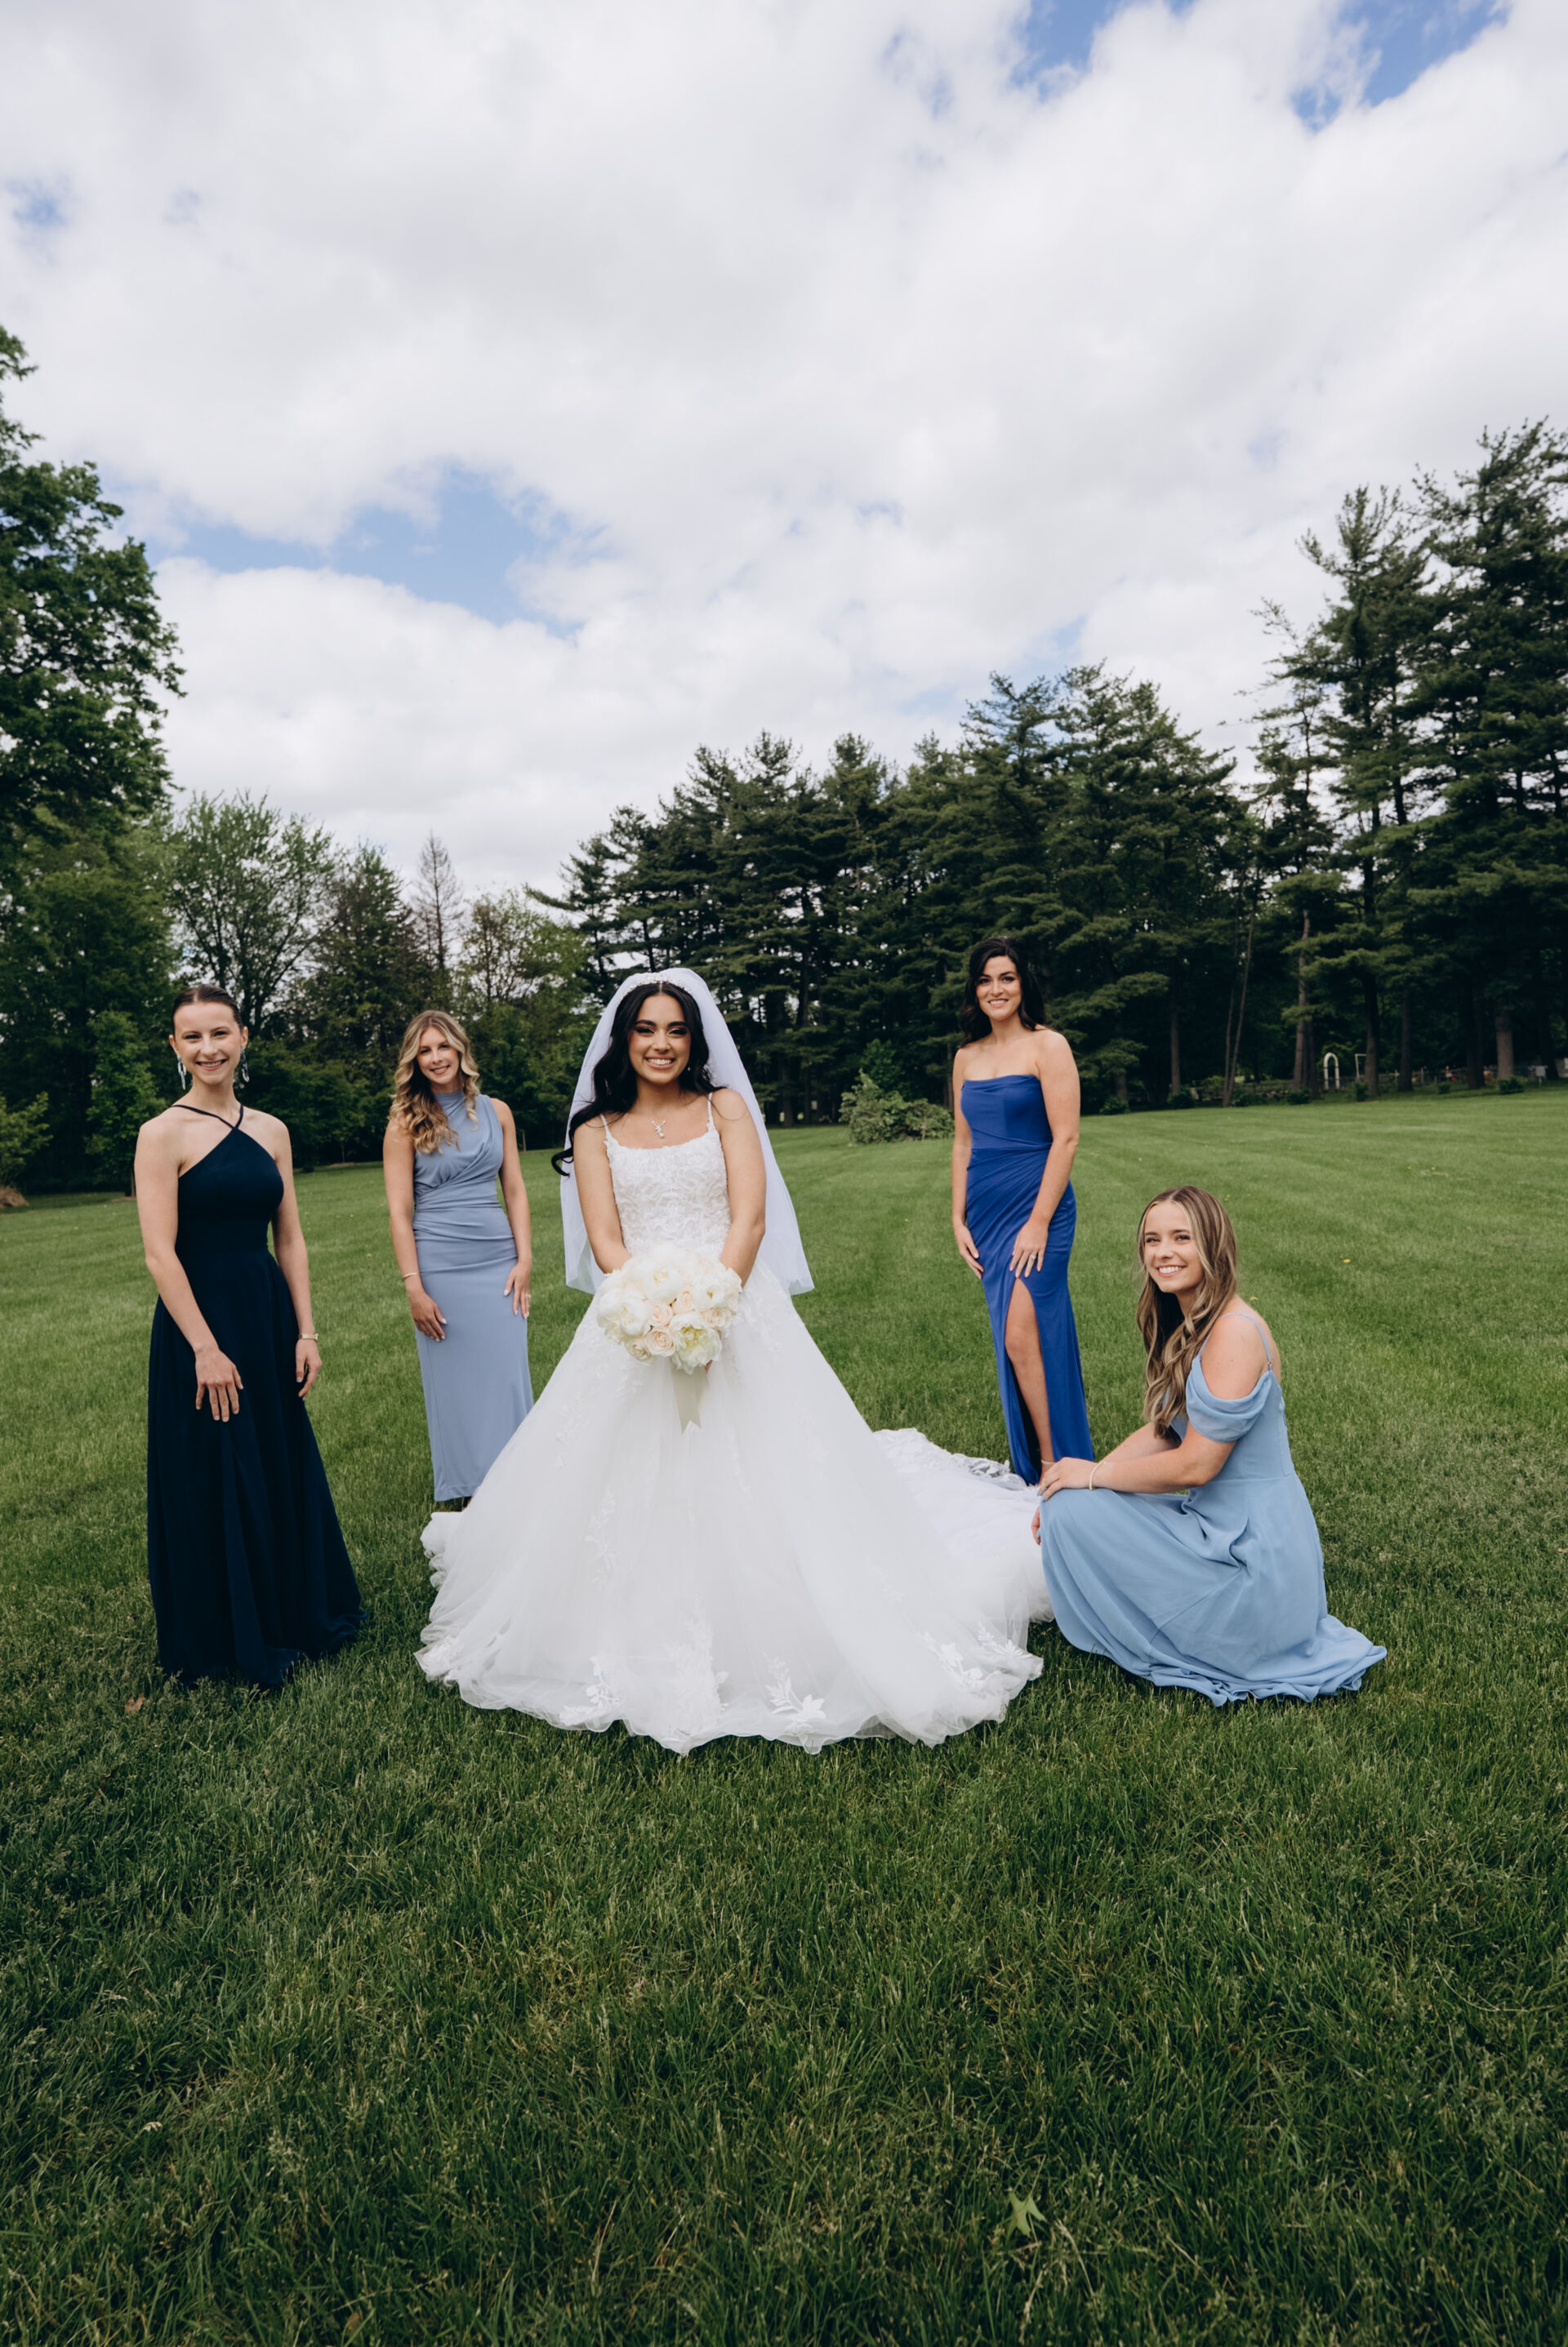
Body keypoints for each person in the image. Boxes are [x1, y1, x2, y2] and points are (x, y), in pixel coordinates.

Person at [416, 970, 1049, 1753]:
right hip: (636, 1317)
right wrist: (655, 1312)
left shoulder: (726, 1109)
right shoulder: (595, 1128)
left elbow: (749, 1218)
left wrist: (709, 1310)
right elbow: (606, 1238)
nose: (661, 1044)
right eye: (646, 1030)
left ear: (695, 1039)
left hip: (737, 1304)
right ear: (623, 1040)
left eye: (676, 1030)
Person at [1034, 1186, 1385, 1705]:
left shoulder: (1234, 1332)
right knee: (1067, 1503)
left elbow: (1197, 1464)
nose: (1163, 1252)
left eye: (1182, 1238)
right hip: (1220, 1523)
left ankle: (1226, 1631)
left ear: (1213, 1245)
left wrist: (1091, 1477)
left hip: (1252, 1557)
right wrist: (1074, 1478)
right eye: (1152, 1240)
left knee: (1074, 1507)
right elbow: (1164, 1431)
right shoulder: (1190, 1323)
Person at [134, 984, 364, 1688]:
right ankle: (224, 1632)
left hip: (265, 1314)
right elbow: (159, 1254)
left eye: (220, 1033)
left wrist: (306, 1330)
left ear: (243, 1038)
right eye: (192, 1037)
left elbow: (289, 1238)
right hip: (199, 1320)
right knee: (216, 1463)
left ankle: (291, 1609)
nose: (208, 1049)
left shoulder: (271, 1130)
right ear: (175, 1047)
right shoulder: (161, 1134)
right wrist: (204, 1348)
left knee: (273, 1455)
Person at [951, 934, 1093, 1481]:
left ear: (1022, 984)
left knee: (1022, 1334)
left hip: (1040, 1207)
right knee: (1014, 1340)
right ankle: (1041, 1461)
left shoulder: (1048, 1046)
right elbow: (962, 1143)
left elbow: (1067, 1139)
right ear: (975, 990)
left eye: (1006, 978)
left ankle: (1055, 1462)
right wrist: (957, 1217)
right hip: (987, 1214)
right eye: (985, 980)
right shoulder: (965, 1057)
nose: (996, 989)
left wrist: (1038, 1223)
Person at [384, 1011, 533, 1508]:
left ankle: (518, 1484)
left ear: (460, 1049)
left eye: (443, 1046)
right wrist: (414, 1285)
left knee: (507, 1375)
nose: (435, 1058)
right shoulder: (404, 1123)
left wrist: (525, 1258)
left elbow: (515, 1189)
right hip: (440, 1265)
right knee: (458, 1385)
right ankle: (472, 1494)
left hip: (499, 1261)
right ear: (414, 1061)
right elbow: (400, 1212)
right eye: (424, 1051)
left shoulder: (497, 1111)